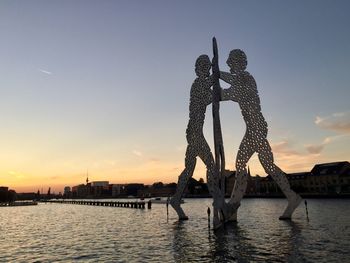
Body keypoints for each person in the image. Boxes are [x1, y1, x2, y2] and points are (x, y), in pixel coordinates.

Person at [220, 49, 302, 221]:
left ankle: (233, 207)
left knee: (241, 164)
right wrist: (217, 77)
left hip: (255, 128)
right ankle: (292, 197)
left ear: (238, 63)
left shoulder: (246, 79)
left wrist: (216, 77)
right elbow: (229, 88)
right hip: (256, 128)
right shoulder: (242, 79)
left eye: (230, 61)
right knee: (268, 166)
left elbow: (230, 92)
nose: (228, 64)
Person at [170, 55, 224, 226]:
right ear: (199, 69)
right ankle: (216, 198)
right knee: (211, 165)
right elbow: (211, 96)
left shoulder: (201, 83)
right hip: (195, 132)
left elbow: (213, 89)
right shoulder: (198, 84)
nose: (206, 71)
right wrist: (219, 86)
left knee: (189, 168)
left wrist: (217, 76)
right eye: (205, 68)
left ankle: (176, 200)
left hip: (193, 131)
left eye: (208, 68)